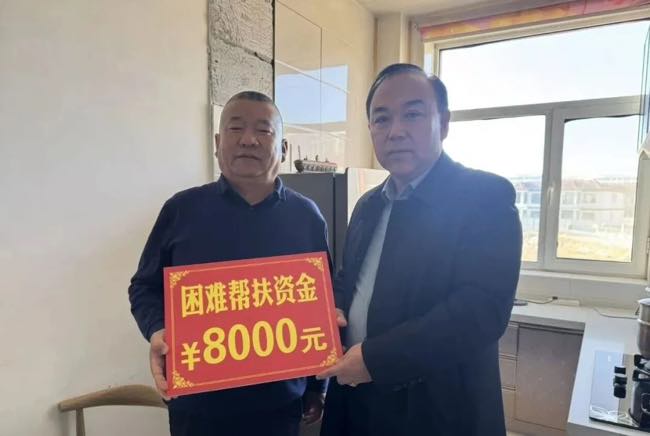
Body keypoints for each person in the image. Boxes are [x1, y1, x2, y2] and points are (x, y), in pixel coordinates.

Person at [317, 63, 522, 436]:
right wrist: (336, 308)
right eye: (382, 119)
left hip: (437, 411)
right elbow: (350, 279)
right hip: (357, 401)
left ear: (443, 123)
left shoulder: (484, 197)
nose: (395, 131)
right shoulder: (367, 204)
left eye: (412, 114)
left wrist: (375, 360)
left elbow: (479, 312)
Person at [128, 91, 328, 436]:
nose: (248, 140)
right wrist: (158, 329)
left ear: (283, 148)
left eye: (263, 130)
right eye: (236, 128)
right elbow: (144, 287)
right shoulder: (181, 210)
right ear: (218, 143)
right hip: (198, 406)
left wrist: (317, 387)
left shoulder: (306, 217)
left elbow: (319, 304)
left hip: (279, 406)